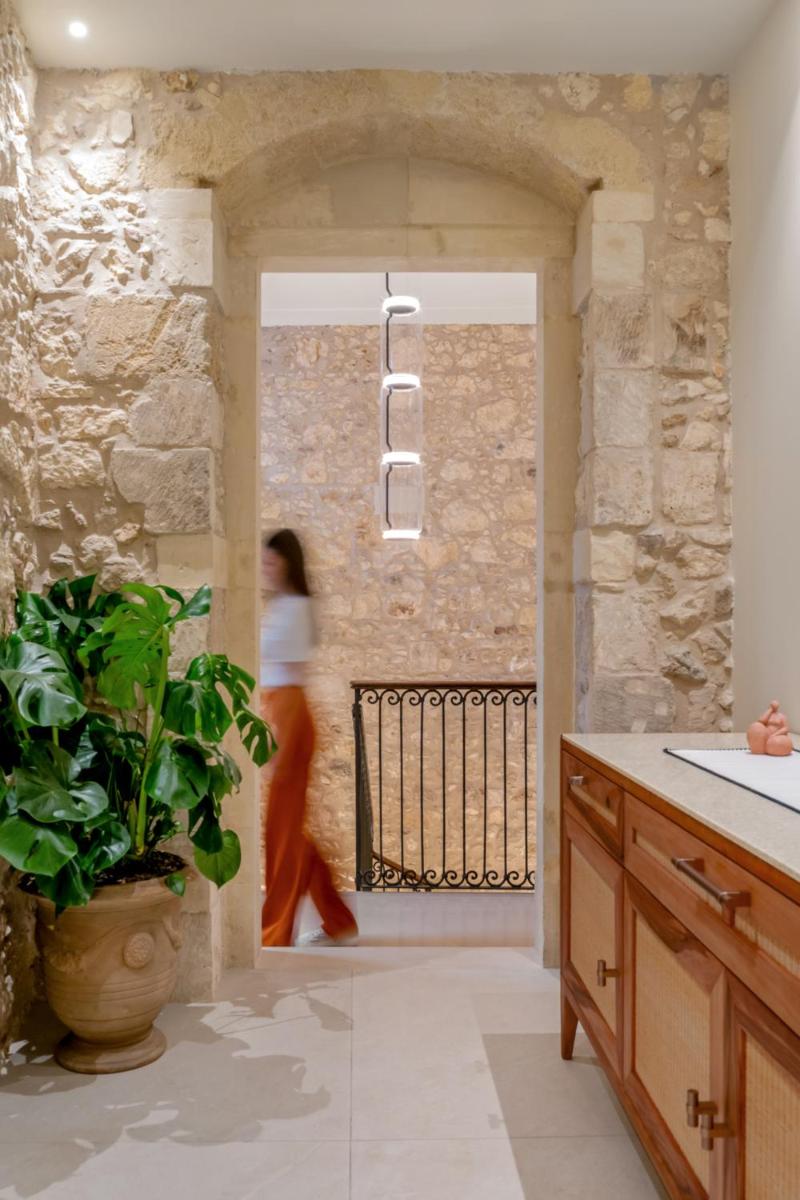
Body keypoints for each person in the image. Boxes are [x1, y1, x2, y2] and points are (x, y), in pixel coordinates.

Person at [260, 528, 358, 947]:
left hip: (289, 716)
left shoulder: (297, 607)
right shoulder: (283, 605)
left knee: (282, 832)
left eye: (272, 561)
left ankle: (274, 931)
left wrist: (277, 736)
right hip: (280, 711)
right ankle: (338, 922)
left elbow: (290, 673)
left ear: (287, 562)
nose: (266, 568)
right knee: (287, 831)